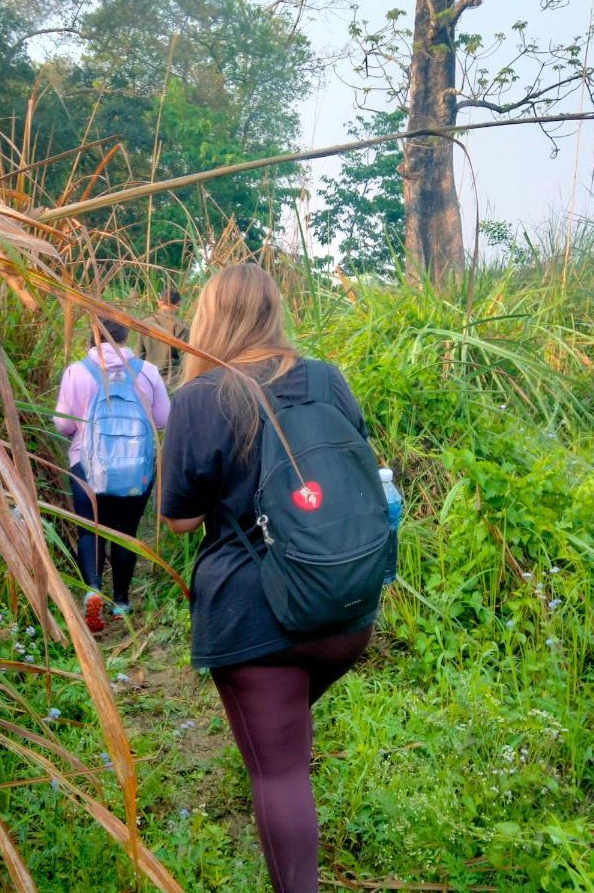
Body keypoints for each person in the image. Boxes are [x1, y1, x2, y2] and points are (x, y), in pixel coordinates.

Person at [160, 264, 379, 893]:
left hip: (259, 618)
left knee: (279, 774)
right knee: (282, 736)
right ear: (274, 312)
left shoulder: (201, 398)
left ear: (210, 316)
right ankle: (280, 732)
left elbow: (179, 520)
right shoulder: (326, 379)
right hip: (345, 604)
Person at [54, 317, 170, 631]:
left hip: (85, 465)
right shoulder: (147, 372)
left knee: (90, 530)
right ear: (126, 334)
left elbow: (63, 424)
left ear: (91, 336)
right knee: (126, 531)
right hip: (135, 467)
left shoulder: (76, 371)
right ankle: (121, 602)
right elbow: (162, 419)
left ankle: (93, 590)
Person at [140, 287, 188, 386]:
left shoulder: (144, 323)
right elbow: (187, 358)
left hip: (148, 379)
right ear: (178, 305)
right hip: (173, 381)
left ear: (159, 302)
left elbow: (140, 354)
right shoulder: (181, 326)